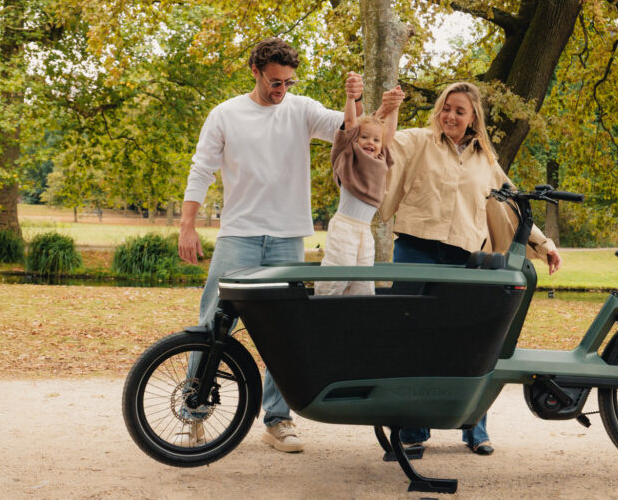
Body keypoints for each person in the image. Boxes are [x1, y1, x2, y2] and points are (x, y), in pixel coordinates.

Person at [177, 37, 363, 453]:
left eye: (288, 82)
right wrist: (187, 225)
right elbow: (201, 169)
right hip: (238, 235)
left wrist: (356, 98)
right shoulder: (226, 114)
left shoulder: (301, 109)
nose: (281, 90)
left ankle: (277, 419)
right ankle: (194, 412)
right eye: (275, 82)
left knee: (284, 333)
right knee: (212, 324)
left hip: (286, 238)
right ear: (257, 73)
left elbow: (350, 128)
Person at [378, 81, 562, 456]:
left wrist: (543, 244)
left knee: (470, 342)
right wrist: (384, 111)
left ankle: (474, 427)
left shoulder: (485, 161)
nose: (450, 116)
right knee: (412, 340)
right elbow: (379, 146)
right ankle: (413, 431)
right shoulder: (417, 141)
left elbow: (514, 204)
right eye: (446, 108)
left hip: (464, 259)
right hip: (415, 250)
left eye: (460, 111)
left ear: (473, 117)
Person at [314, 78, 403, 296]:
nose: (370, 143)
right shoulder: (349, 154)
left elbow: (389, 132)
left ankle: (356, 325)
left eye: (375, 139)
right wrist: (351, 98)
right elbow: (349, 121)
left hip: (364, 231)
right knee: (335, 280)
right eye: (364, 137)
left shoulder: (382, 157)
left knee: (363, 286)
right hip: (345, 227)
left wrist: (394, 107)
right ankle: (321, 317)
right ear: (356, 139)